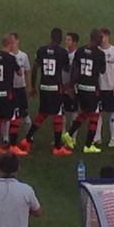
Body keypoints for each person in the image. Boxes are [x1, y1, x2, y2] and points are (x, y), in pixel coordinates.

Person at [20, 27, 71, 156]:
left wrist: (32, 86)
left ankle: (27, 140)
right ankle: (58, 147)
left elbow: (35, 68)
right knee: (58, 115)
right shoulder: (62, 52)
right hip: (55, 87)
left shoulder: (41, 50)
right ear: (59, 39)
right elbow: (66, 68)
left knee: (42, 114)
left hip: (43, 86)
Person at [63, 29, 106, 154]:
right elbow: (102, 71)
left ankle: (69, 133)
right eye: (101, 38)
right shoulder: (99, 53)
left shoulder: (80, 51)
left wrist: (72, 85)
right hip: (92, 88)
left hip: (81, 87)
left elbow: (74, 70)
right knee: (95, 115)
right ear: (96, 39)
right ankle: (88, 145)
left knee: (85, 112)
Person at [0, 35, 27, 156]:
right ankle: (13, 146)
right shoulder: (11, 58)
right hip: (7, 93)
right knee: (15, 118)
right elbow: (19, 73)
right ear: (10, 44)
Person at [94, 28, 114, 148]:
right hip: (99, 87)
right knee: (97, 112)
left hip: (110, 87)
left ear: (107, 36)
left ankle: (113, 138)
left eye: (102, 37)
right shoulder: (96, 51)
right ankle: (97, 137)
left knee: (112, 112)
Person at [8, 32, 32, 140]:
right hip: (10, 88)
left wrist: (28, 86)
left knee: (24, 113)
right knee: (9, 114)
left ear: (17, 41)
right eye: (10, 41)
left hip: (20, 88)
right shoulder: (7, 56)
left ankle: (29, 136)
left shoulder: (23, 56)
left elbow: (27, 71)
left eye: (13, 40)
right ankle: (6, 137)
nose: (12, 43)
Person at [63, 31, 80, 135]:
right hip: (62, 87)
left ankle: (72, 137)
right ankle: (61, 135)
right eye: (66, 39)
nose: (66, 41)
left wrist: (71, 86)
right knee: (62, 112)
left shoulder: (77, 55)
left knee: (73, 112)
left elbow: (77, 73)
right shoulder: (62, 52)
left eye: (69, 40)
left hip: (73, 88)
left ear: (75, 42)